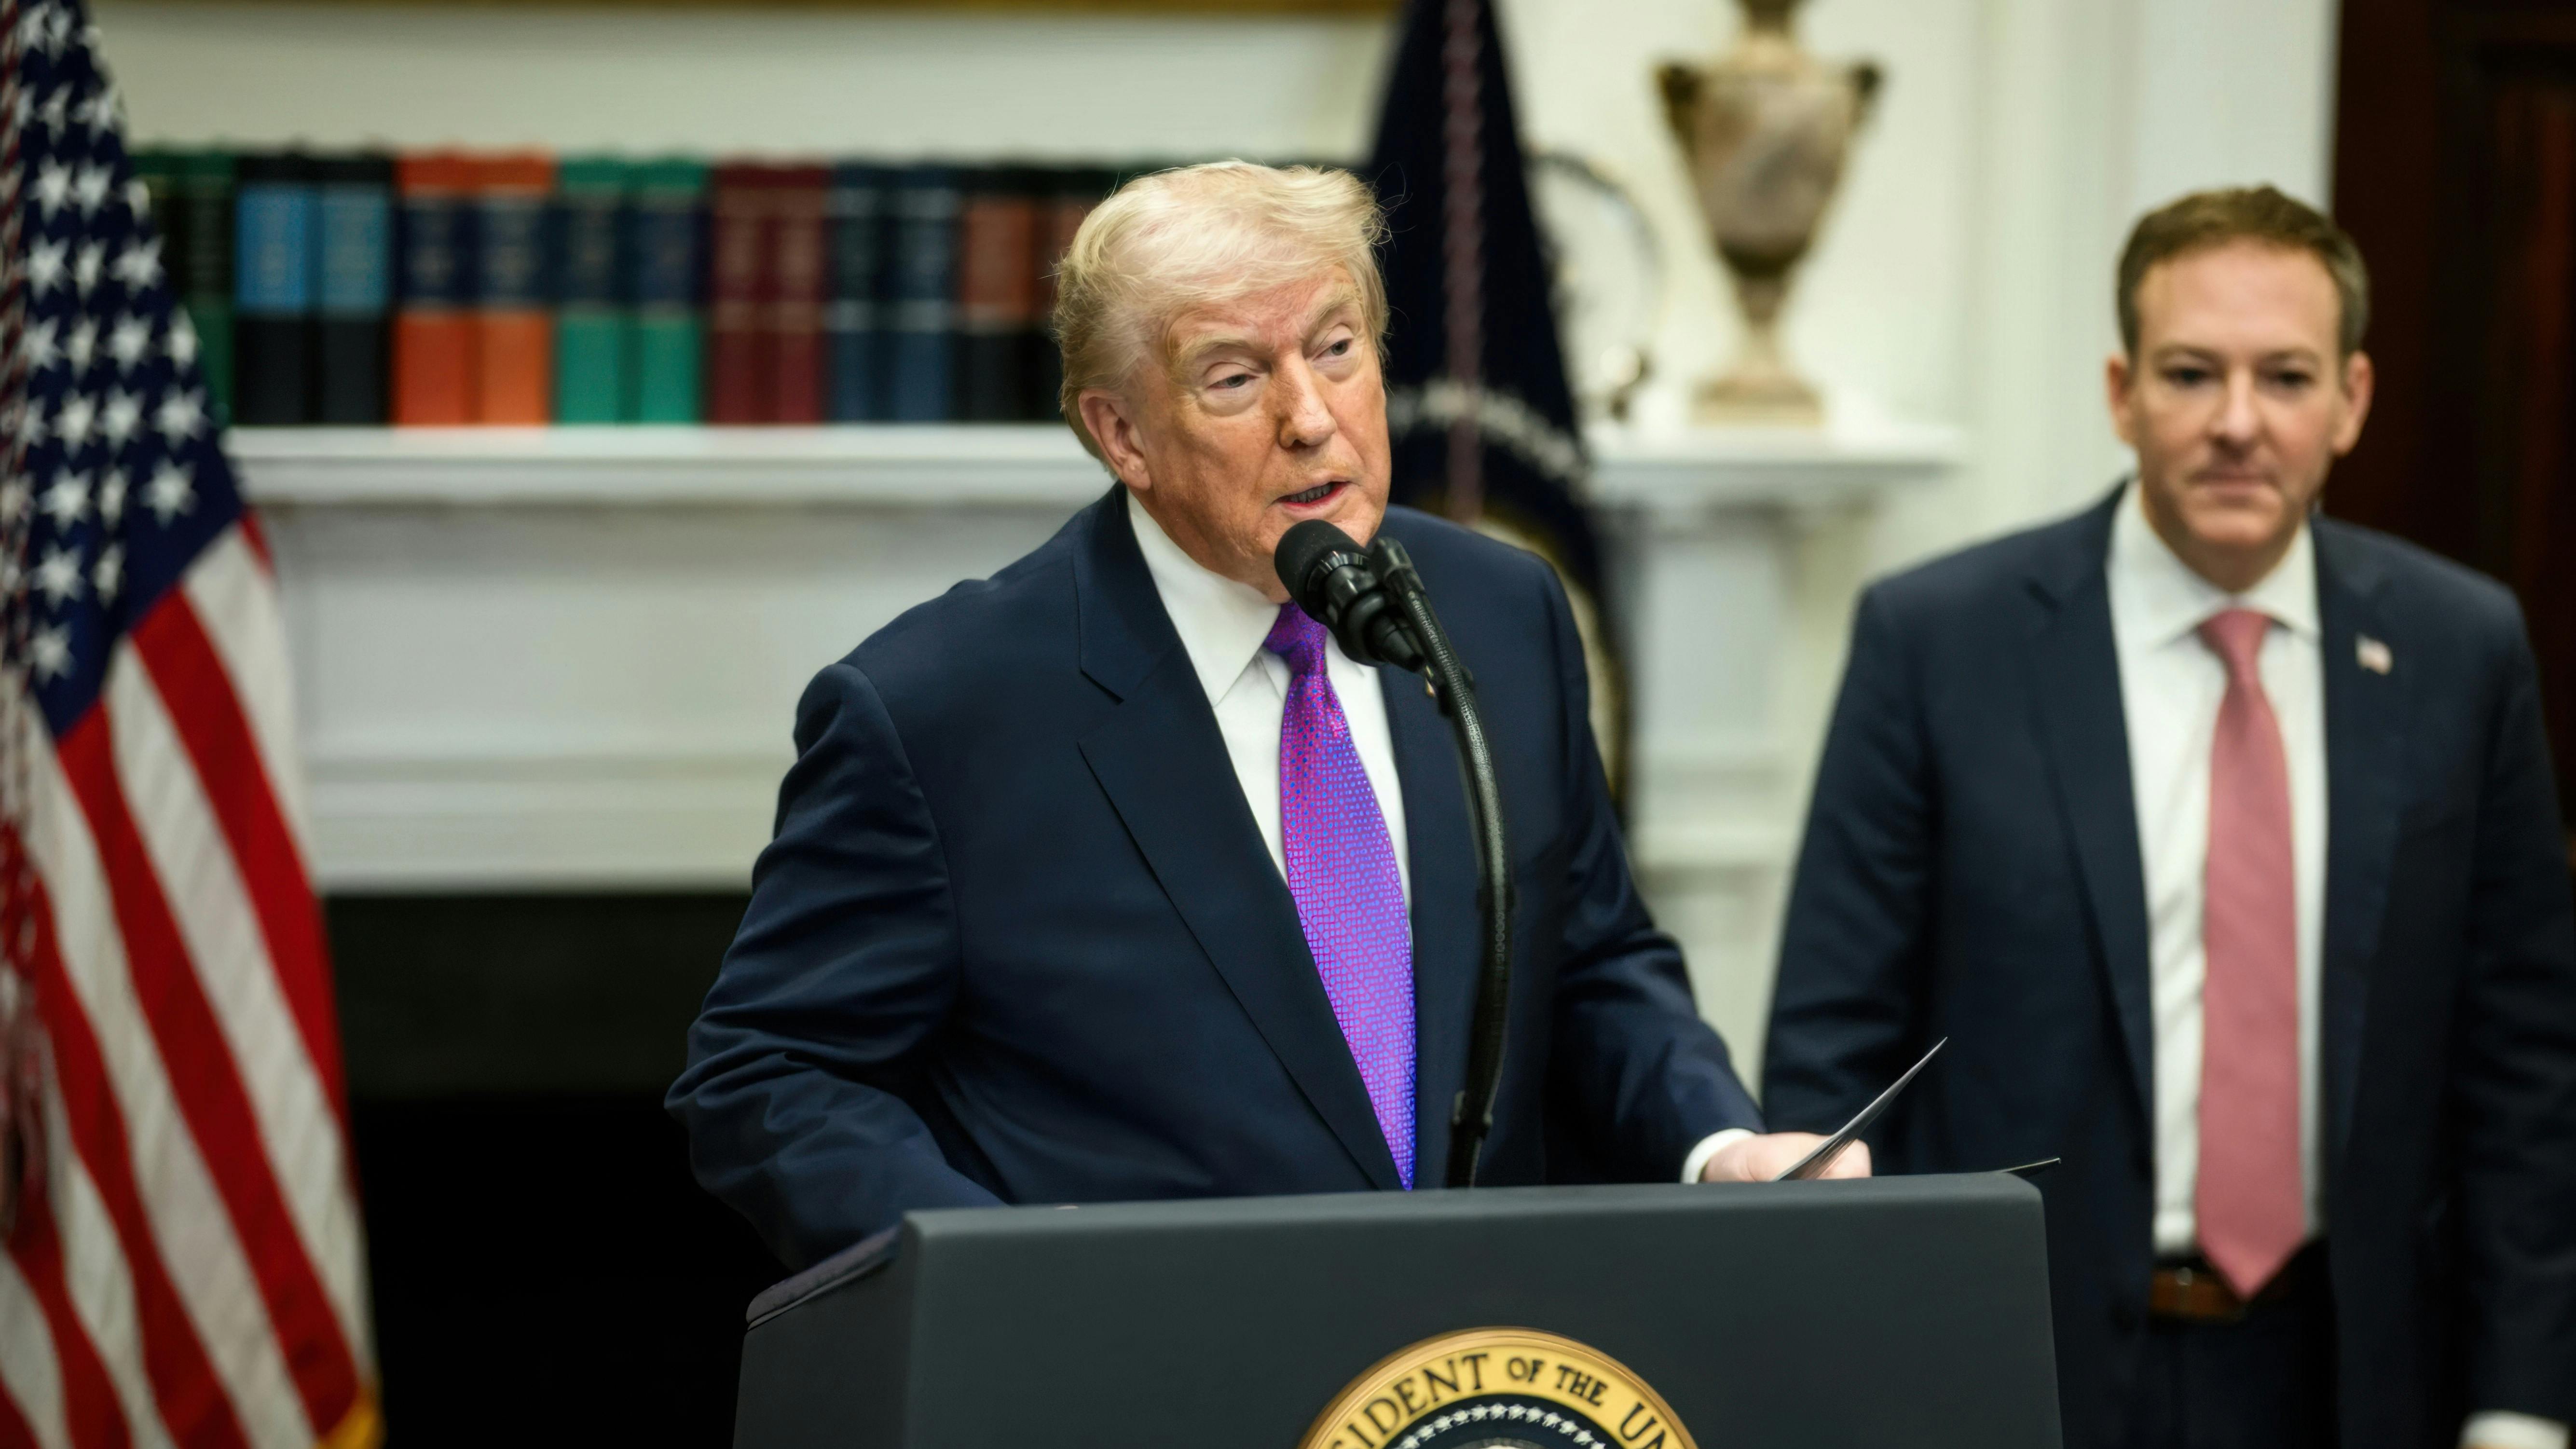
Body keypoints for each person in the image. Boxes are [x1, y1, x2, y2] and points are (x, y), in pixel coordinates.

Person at [669, 162, 1855, 1273]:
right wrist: (994, 1265)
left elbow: (1590, 960)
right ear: (1122, 434)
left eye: (1337, 350)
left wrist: (1717, 1142)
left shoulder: (1501, 613)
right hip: (1155, 1363)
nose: (1311, 415)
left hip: (1470, 1354)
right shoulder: (939, 707)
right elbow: (768, 1070)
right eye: (1235, 378)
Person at [1763, 185, 2576, 1449]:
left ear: (2351, 398)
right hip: (2019, 1370)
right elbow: (1832, 1050)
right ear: (2121, 392)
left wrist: (2520, 1405)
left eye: (2285, 377)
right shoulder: (1937, 643)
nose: (2237, 422)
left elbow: (2524, 1063)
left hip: (2358, 1375)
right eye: (2191, 373)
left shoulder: (2460, 650)